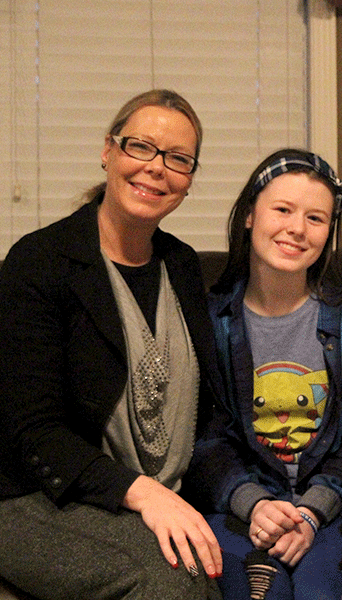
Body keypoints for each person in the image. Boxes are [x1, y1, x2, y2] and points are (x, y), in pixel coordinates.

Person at [0, 89, 223, 599]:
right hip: (31, 495)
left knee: (212, 568)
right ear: (109, 151)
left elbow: (206, 409)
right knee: (171, 578)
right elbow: (32, 431)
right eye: (140, 147)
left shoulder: (182, 266)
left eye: (178, 159)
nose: (156, 168)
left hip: (143, 493)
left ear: (188, 180)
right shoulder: (40, 263)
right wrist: (144, 494)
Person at [186, 149, 342, 600]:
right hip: (238, 508)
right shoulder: (211, 320)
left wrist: (313, 511)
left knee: (320, 592)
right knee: (264, 594)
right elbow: (202, 437)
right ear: (249, 216)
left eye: (316, 218)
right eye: (282, 210)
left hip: (335, 511)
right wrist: (253, 503)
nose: (297, 228)